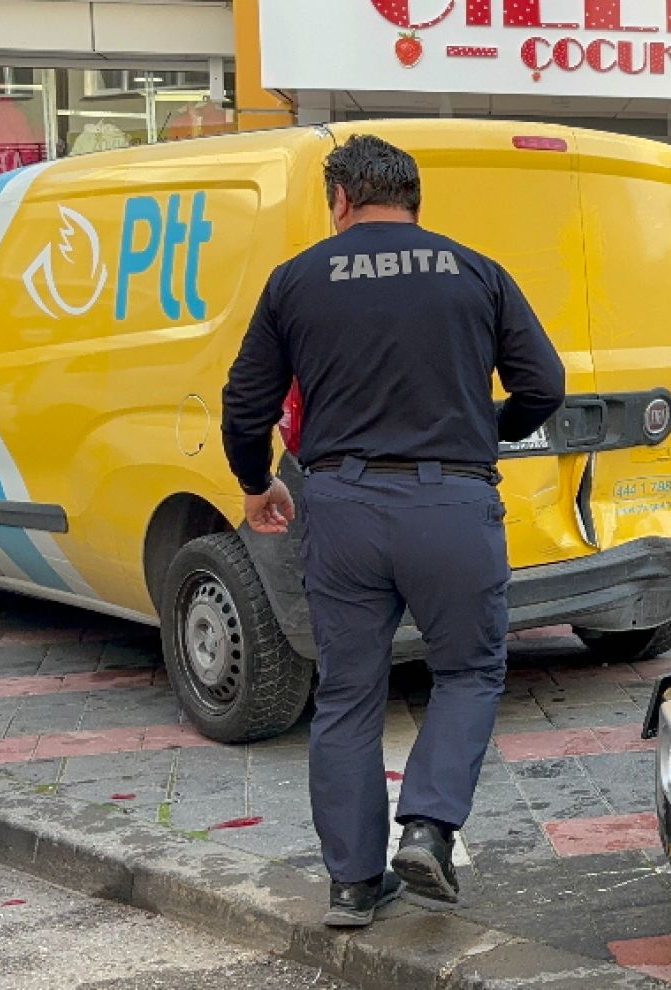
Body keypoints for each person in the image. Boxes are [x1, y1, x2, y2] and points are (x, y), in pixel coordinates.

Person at [220, 134, 565, 928]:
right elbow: (543, 384)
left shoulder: (296, 280)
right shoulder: (476, 271)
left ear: (341, 199)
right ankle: (431, 828)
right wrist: (489, 428)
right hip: (451, 506)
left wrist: (255, 483)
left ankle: (350, 885)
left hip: (339, 507)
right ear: (413, 199)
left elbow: (246, 406)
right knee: (470, 671)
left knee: (347, 693)